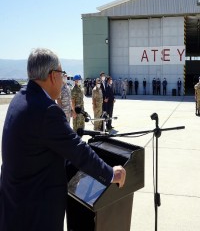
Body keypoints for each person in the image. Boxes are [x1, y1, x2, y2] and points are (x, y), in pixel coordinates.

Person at [0, 48, 126, 231]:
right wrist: (110, 173)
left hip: (15, 205)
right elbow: (78, 151)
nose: (63, 79)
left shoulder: (21, 98)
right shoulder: (46, 110)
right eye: (62, 73)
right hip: (35, 214)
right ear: (52, 76)